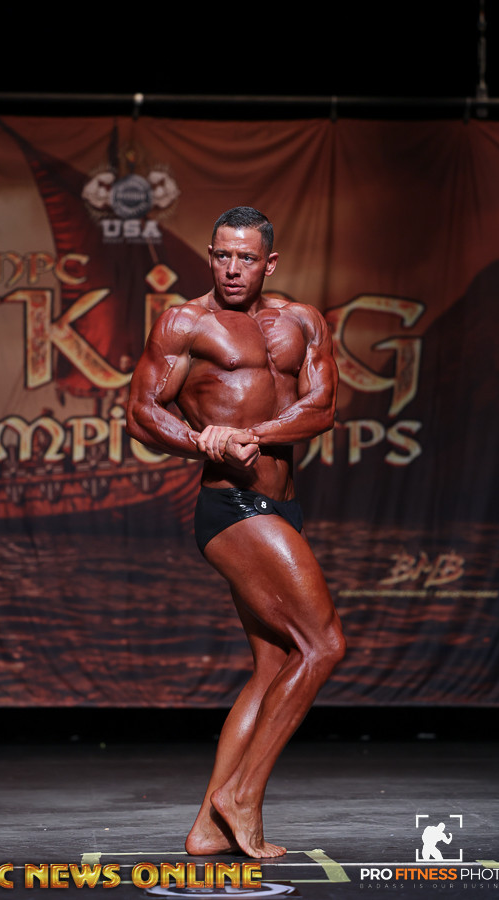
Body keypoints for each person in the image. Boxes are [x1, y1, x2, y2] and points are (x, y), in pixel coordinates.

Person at [126, 207, 346, 859]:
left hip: (282, 506)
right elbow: (141, 412)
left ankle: (206, 826)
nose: (231, 268)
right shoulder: (185, 323)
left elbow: (321, 408)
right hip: (233, 506)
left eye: (245, 258)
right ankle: (242, 796)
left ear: (268, 263)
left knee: (274, 665)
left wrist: (252, 433)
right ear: (210, 256)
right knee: (324, 645)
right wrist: (202, 441)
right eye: (221, 255)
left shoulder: (302, 321)